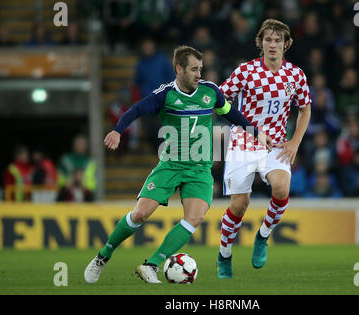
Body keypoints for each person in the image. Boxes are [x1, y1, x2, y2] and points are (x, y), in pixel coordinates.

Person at [84, 45, 272, 284]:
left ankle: (151, 265)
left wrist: (256, 133)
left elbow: (232, 113)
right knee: (140, 214)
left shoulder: (211, 93)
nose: (198, 74)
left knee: (194, 218)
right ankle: (103, 256)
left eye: (200, 69)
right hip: (170, 165)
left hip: (199, 170)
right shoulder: (166, 94)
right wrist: (118, 130)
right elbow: (136, 110)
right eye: (194, 69)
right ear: (179, 69)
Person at [217, 19, 311, 279]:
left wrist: (294, 142)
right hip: (244, 142)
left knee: (281, 189)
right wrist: (239, 123)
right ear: (260, 43)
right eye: (268, 40)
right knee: (239, 204)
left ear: (286, 44)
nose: (272, 44)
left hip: (277, 144)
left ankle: (263, 236)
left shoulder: (296, 75)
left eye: (278, 40)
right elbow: (220, 99)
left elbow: (305, 108)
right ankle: (224, 255)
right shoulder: (245, 71)